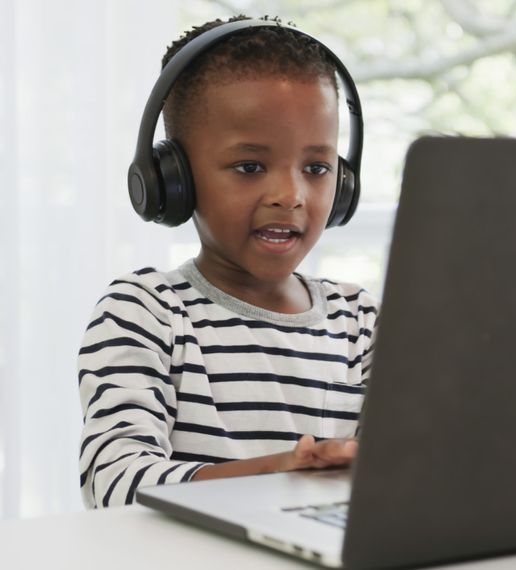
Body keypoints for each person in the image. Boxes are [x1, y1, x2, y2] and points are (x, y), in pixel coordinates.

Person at [77, 15, 377, 508]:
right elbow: (115, 484)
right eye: (250, 166)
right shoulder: (143, 313)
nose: (290, 195)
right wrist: (277, 474)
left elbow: (406, 471)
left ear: (343, 183)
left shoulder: (361, 322)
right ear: (172, 180)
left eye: (317, 167)